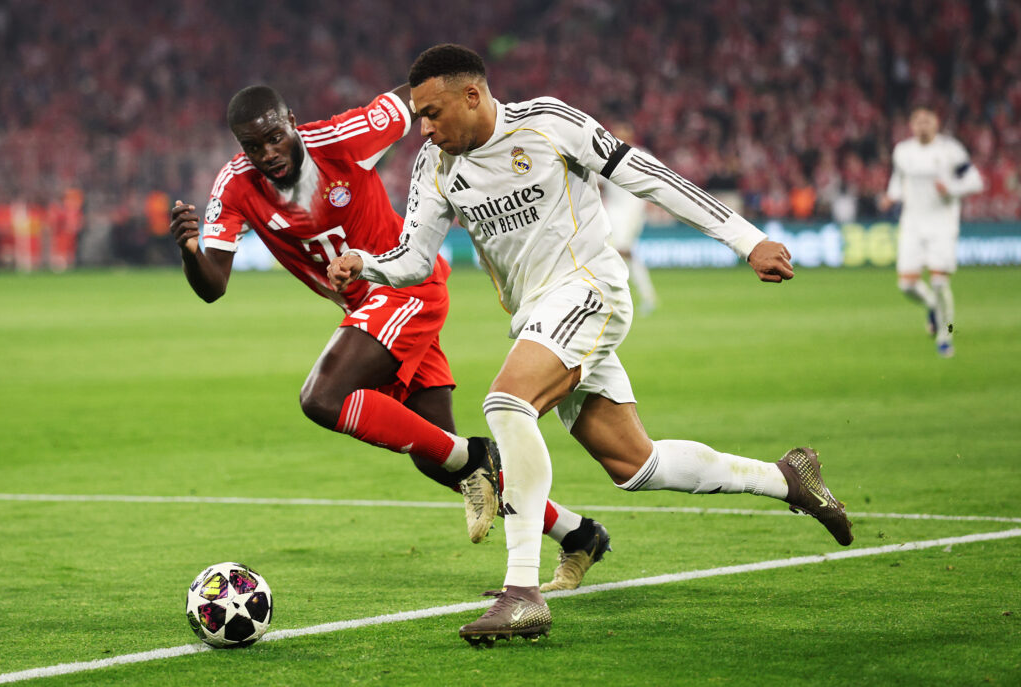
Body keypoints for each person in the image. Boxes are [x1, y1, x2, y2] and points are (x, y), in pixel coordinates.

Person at [328, 44, 854, 645]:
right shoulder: (435, 164)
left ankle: (521, 594)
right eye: (419, 116)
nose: (424, 128)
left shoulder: (548, 123)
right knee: (635, 465)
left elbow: (649, 176)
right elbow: (415, 259)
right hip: (537, 316)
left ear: (472, 96)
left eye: (432, 112)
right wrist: (366, 263)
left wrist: (745, 238)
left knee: (507, 404)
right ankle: (787, 478)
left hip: (588, 290)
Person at [169, 84, 608, 588]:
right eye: (253, 146)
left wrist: (465, 102)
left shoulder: (344, 139)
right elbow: (213, 286)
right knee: (435, 456)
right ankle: (578, 533)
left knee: (322, 398)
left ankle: (474, 456)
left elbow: (413, 95)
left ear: (291, 120)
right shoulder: (234, 186)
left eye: (274, 137)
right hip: (370, 313)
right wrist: (189, 250)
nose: (267, 153)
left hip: (406, 289)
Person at [879, 106, 984, 358]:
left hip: (942, 224)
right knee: (906, 285)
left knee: (939, 281)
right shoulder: (903, 151)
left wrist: (951, 188)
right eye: (917, 121)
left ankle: (946, 335)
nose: (922, 125)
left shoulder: (950, 150)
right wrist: (891, 196)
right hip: (912, 224)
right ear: (911, 125)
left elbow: (975, 181)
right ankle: (933, 307)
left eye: (927, 120)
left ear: (936, 123)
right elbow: (898, 179)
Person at [600, 123, 656, 315]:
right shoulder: (606, 155)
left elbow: (655, 178)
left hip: (632, 209)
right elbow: (598, 183)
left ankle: (620, 296)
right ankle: (644, 295)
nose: (619, 138)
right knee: (618, 252)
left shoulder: (641, 154)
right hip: (612, 210)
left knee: (621, 251)